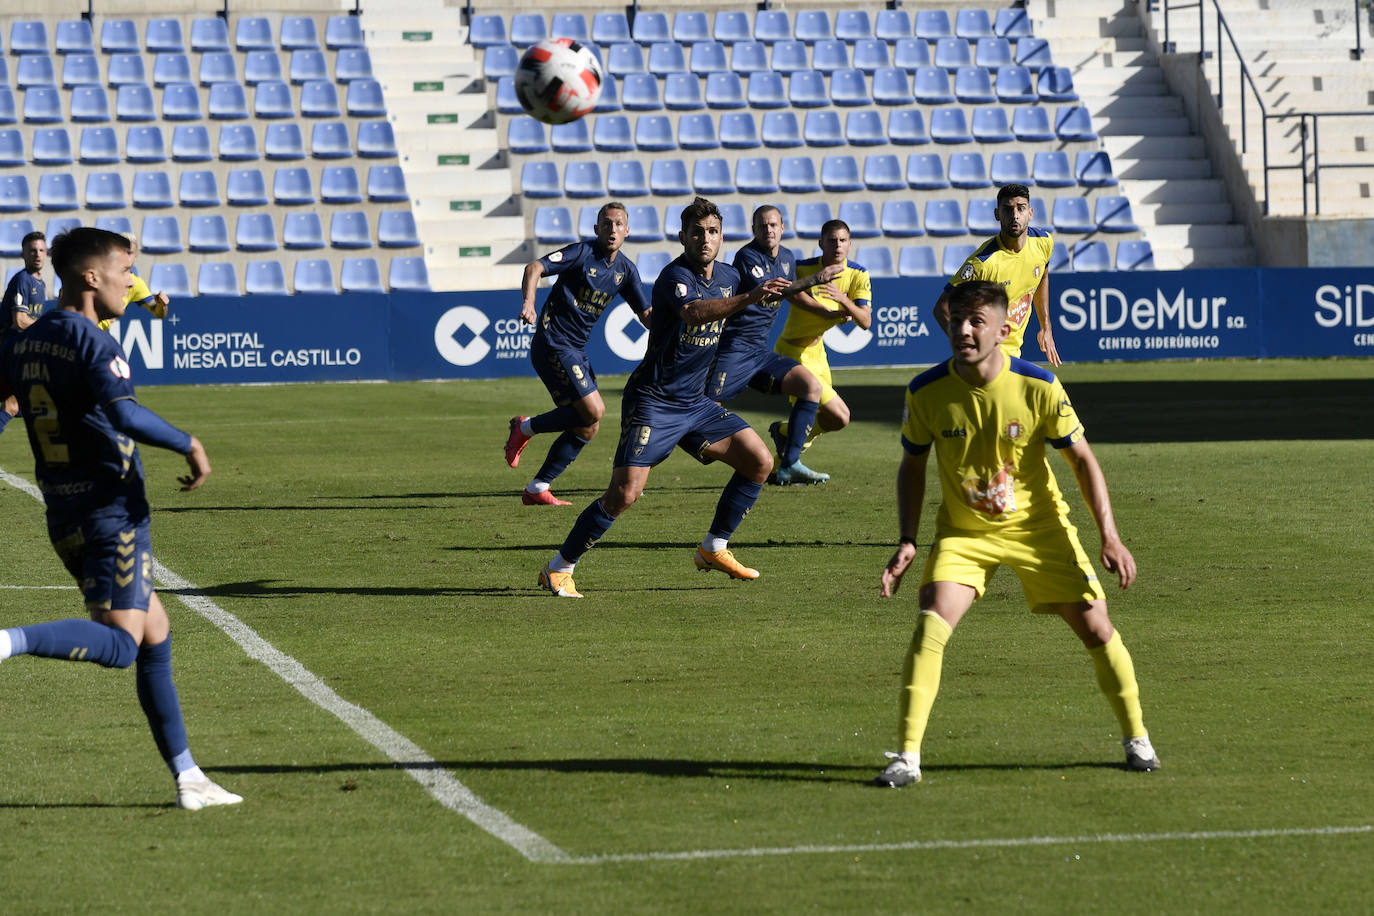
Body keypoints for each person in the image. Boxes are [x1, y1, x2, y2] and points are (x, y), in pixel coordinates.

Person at [874, 280, 1159, 788]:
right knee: (931, 622)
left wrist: (1110, 536)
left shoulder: (1039, 385)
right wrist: (907, 538)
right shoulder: (925, 391)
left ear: (1004, 330)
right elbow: (911, 466)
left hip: (1039, 527)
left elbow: (1083, 462)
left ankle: (1137, 738)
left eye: (975, 321)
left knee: (1097, 627)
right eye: (957, 319)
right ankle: (907, 757)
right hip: (965, 533)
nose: (962, 329)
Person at [0, 228, 241, 810]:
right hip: (113, 511)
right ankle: (8, 642)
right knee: (123, 644)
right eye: (123, 272)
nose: (130, 283)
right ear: (91, 276)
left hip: (64, 511)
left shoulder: (27, 342)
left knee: (156, 636)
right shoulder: (92, 341)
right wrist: (189, 442)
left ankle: (188, 778)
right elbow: (125, 414)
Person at [537, 197, 793, 598]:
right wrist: (750, 297)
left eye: (712, 232)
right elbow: (695, 314)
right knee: (624, 494)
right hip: (654, 401)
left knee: (759, 461)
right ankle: (559, 568)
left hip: (696, 403)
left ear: (722, 236)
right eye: (696, 232)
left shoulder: (729, 276)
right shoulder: (674, 277)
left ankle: (713, 548)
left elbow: (748, 313)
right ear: (682, 237)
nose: (705, 239)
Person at [503, 202, 651, 506]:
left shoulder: (625, 271)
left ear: (627, 231)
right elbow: (534, 268)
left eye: (619, 224)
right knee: (595, 410)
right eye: (606, 224)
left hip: (576, 350)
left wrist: (682, 326)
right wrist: (529, 303)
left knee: (588, 424)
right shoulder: (581, 254)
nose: (612, 230)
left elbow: (646, 314)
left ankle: (537, 488)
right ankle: (524, 427)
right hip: (553, 342)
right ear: (596, 229)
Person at [701, 205, 831, 485]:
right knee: (704, 408)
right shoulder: (747, 256)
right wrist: (814, 280)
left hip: (759, 352)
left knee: (810, 387)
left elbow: (794, 296)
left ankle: (790, 463)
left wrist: (827, 313)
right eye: (762, 226)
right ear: (754, 230)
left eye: (773, 225)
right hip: (733, 349)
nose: (768, 230)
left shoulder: (786, 257)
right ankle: (641, 466)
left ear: (782, 228)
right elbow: (773, 290)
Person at [770, 219, 871, 476]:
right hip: (792, 352)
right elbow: (789, 292)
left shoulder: (858, 274)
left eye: (842, 240)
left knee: (830, 420)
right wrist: (825, 310)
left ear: (849, 244)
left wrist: (843, 301)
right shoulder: (803, 268)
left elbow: (865, 321)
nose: (837, 245)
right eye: (832, 240)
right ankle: (786, 456)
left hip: (818, 354)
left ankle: (784, 439)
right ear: (821, 243)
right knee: (841, 416)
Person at [933, 183, 1060, 366]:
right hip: (988, 360)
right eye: (1007, 210)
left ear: (1030, 213)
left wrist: (1046, 327)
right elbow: (941, 307)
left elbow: (1042, 277)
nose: (1015, 215)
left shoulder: (1044, 242)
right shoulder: (983, 263)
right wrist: (968, 345)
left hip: (1014, 354)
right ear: (997, 214)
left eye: (1021, 208)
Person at [96, 233, 170, 332]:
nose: (126, 257)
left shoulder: (135, 283)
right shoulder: (98, 273)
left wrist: (162, 305)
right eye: (122, 252)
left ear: (136, 256)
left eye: (129, 253)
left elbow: (159, 313)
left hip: (97, 334)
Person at [2, 230, 47, 334]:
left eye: (41, 250)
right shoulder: (22, 279)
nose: (37, 255)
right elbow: (20, 321)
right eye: (33, 250)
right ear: (23, 254)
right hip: (12, 342)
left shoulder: (41, 283)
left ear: (46, 254)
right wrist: (44, 327)